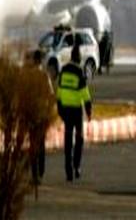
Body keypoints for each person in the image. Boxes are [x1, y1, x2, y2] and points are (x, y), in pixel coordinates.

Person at [56, 43, 92, 182]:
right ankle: (76, 166)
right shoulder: (79, 71)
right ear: (79, 58)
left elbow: (59, 91)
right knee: (79, 139)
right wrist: (88, 111)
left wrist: (59, 109)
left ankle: (68, 171)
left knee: (67, 140)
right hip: (76, 111)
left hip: (66, 110)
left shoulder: (63, 70)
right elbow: (85, 94)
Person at [30, 49, 53, 184]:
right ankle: (41, 172)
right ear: (41, 61)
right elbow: (50, 95)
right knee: (41, 144)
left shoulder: (29, 76)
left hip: (31, 114)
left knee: (33, 145)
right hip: (41, 113)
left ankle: (34, 174)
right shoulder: (44, 76)